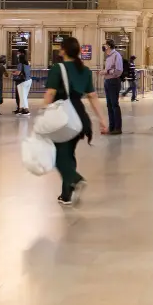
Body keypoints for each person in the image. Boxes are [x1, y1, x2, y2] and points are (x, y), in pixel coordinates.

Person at [44, 37, 106, 206]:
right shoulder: (85, 70)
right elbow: (92, 96)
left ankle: (76, 179)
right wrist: (101, 119)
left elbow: (50, 93)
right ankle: (66, 195)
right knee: (68, 154)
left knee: (57, 157)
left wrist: (44, 113)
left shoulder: (58, 68)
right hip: (79, 116)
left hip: (62, 116)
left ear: (63, 50)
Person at [102, 40, 124, 134]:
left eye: (105, 44)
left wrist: (106, 72)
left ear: (109, 46)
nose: (104, 46)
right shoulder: (108, 57)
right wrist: (103, 71)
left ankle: (118, 128)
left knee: (114, 104)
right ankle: (111, 127)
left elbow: (119, 70)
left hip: (114, 81)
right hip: (107, 81)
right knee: (109, 105)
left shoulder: (116, 55)